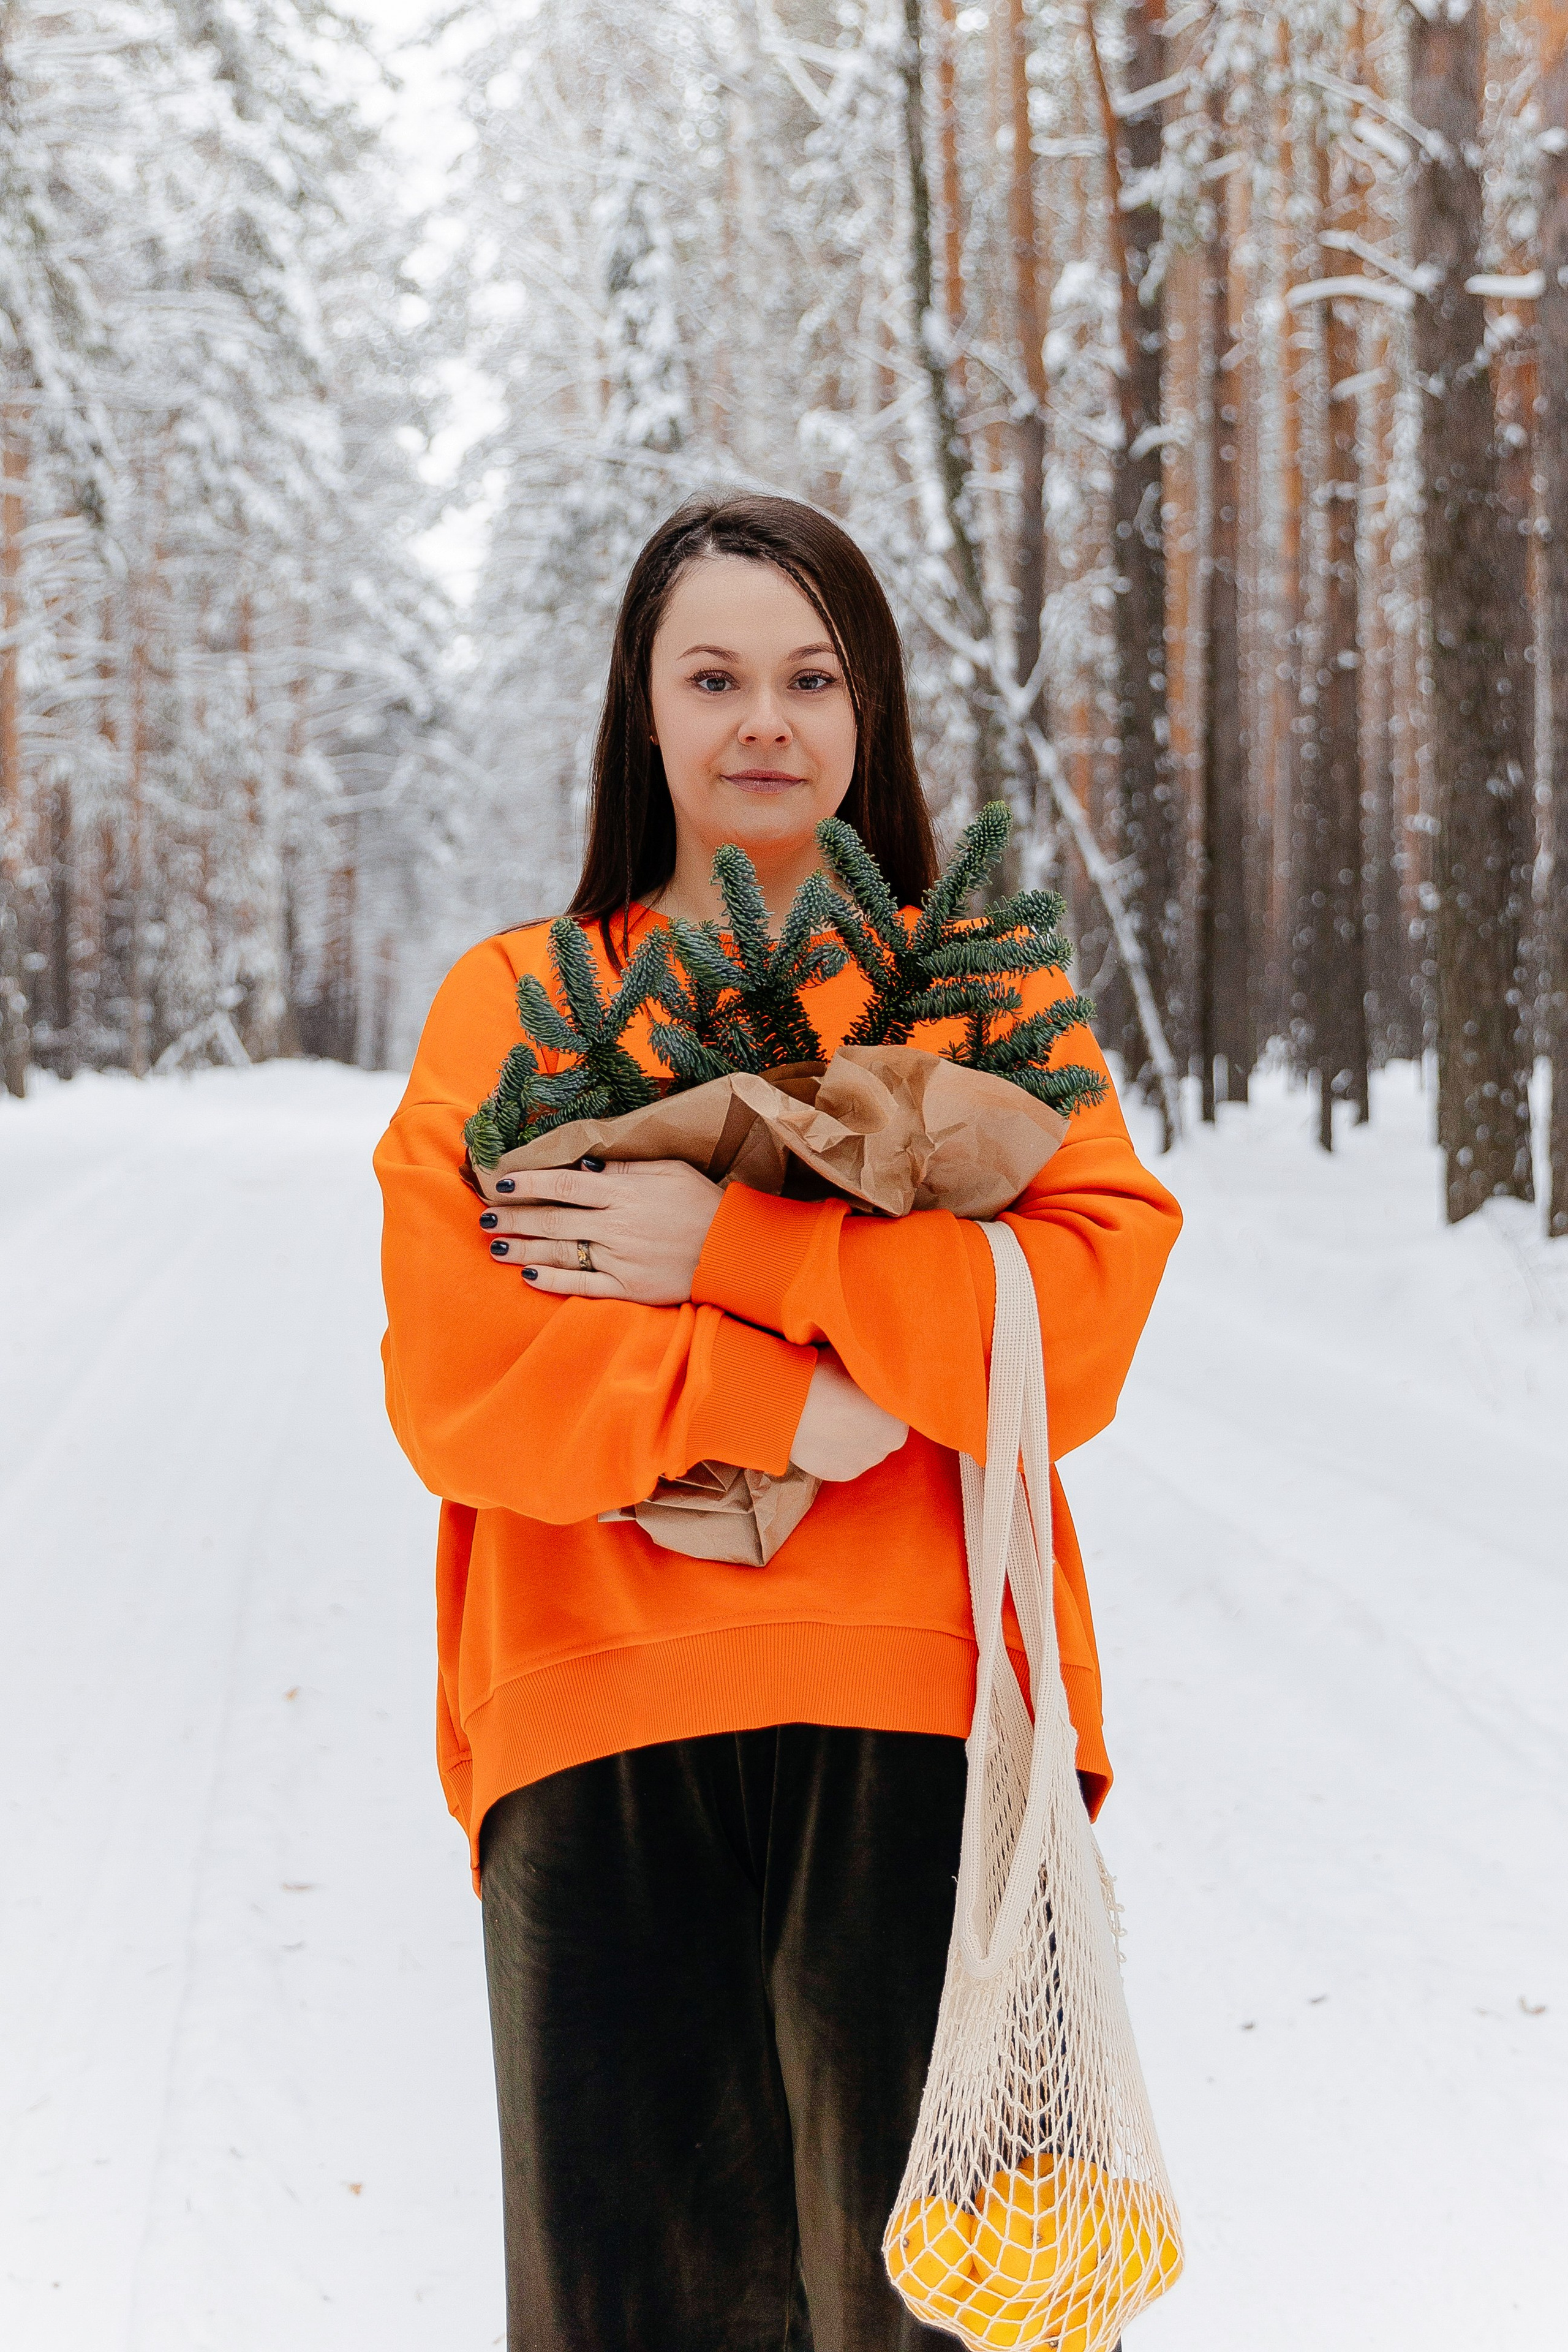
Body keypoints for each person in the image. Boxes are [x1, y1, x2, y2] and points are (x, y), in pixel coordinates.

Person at [374, 494, 1180, 2352]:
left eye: (813, 677)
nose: (765, 721)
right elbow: (462, 1379)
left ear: (869, 711)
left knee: (957, 2316)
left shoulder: (977, 998)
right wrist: (778, 1403)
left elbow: (1081, 1322)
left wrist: (731, 1243)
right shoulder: (515, 1008)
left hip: (924, 1721)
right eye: (715, 675)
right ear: (641, 713)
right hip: (594, 1734)